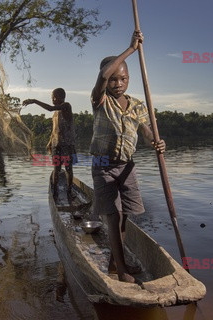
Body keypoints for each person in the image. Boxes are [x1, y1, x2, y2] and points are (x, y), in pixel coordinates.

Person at [90, 31, 166, 284]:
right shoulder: (100, 101)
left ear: (129, 79)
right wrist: (131, 49)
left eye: (123, 78)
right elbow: (102, 76)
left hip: (126, 166)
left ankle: (115, 261)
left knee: (126, 216)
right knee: (113, 215)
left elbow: (144, 129)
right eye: (113, 79)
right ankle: (120, 268)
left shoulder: (136, 104)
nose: (118, 83)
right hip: (103, 165)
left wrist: (154, 140)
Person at [23, 88, 76, 200]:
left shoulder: (66, 106)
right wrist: (49, 143)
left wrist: (34, 101)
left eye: (54, 97)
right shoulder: (55, 114)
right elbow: (54, 131)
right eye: (52, 97)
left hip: (67, 145)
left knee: (68, 169)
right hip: (57, 145)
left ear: (62, 97)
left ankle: (69, 191)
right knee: (56, 169)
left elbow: (50, 108)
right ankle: (55, 192)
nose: (52, 99)